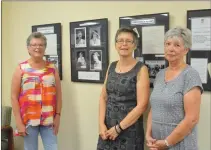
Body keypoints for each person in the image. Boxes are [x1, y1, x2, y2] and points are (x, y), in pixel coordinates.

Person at [146, 27, 203, 150]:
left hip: (180, 144)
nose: (171, 49)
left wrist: (167, 142)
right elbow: (154, 108)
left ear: (186, 50)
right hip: (157, 143)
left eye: (177, 45)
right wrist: (148, 134)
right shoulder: (160, 74)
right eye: (168, 44)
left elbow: (192, 119)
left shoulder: (190, 75)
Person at [97, 27, 150, 150]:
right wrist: (101, 125)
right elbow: (103, 97)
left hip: (129, 131)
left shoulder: (141, 69)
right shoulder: (111, 66)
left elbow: (142, 105)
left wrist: (118, 128)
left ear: (134, 45)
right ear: (115, 44)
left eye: (128, 41)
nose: (124, 44)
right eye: (120, 40)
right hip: (107, 130)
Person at [11, 32, 62, 150]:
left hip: (49, 119)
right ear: (28, 48)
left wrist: (58, 116)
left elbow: (59, 95)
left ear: (45, 47)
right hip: (28, 120)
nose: (37, 48)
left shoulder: (52, 68)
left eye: (41, 45)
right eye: (34, 45)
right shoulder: (21, 69)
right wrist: (18, 122)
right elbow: (14, 97)